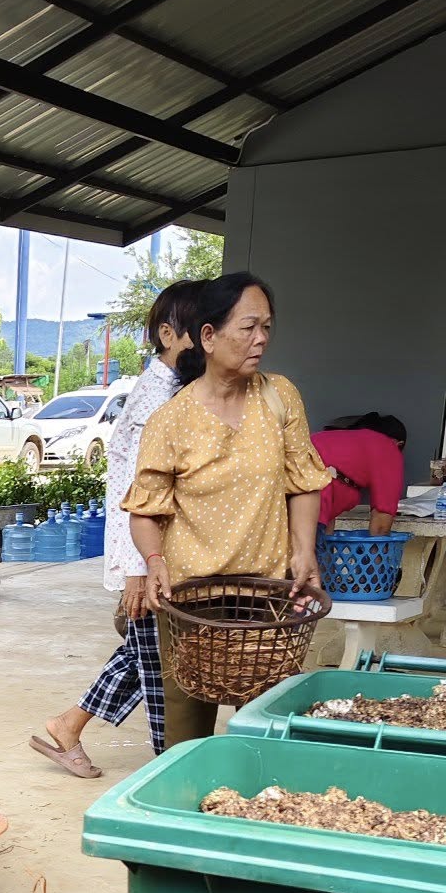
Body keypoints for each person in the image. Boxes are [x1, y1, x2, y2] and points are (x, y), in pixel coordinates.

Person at [125, 272, 331, 745]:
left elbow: (302, 481)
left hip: (267, 593)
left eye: (267, 327)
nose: (261, 339)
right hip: (190, 600)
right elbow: (145, 510)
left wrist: (304, 552)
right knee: (185, 735)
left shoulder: (279, 396)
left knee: (266, 730)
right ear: (209, 336)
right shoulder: (170, 420)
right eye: (248, 327)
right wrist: (153, 561)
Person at [30, 280, 203, 777]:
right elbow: (133, 490)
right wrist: (136, 570)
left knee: (143, 653)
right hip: (149, 560)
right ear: (168, 335)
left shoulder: (174, 393)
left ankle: (68, 724)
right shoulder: (155, 401)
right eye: (200, 331)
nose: (208, 342)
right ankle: (171, 767)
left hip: (158, 559)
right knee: (161, 669)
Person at [312, 413, 408, 533]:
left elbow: (326, 519)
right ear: (399, 444)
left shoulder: (331, 441)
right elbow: (382, 518)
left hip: (295, 499)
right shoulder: (388, 448)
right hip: (311, 504)